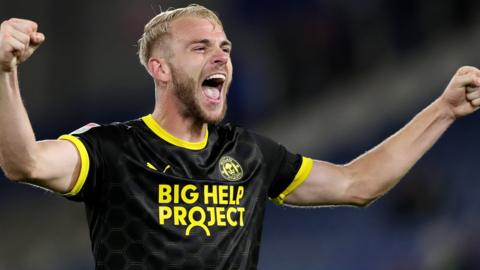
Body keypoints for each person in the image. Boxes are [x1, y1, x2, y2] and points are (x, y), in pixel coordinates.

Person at [1, 4, 480, 270]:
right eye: (201, 47)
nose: (221, 57)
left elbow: (359, 184)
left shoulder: (250, 154)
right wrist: (5, 71)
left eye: (225, 48)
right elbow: (24, 163)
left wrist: (444, 109)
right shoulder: (110, 148)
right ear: (159, 69)